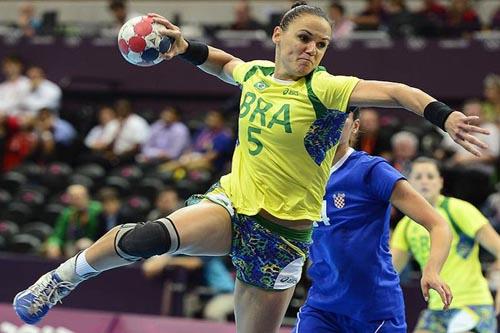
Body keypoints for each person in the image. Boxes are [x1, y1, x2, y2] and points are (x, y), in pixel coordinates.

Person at [14, 2, 489, 332]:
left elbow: (398, 93)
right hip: (233, 204)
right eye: (304, 38)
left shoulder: (325, 89)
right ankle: (61, 279)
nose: (312, 50)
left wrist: (444, 116)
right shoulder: (258, 75)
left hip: (283, 236)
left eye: (322, 45)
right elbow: (226, 64)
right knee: (151, 236)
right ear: (279, 35)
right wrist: (185, 49)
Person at [293, 109, 452, 333]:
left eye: (340, 117)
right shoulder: (300, 174)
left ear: (355, 127)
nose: (331, 123)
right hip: (322, 307)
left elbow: (438, 224)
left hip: (375, 312)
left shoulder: (372, 171)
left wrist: (432, 270)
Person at [391, 157, 500, 333]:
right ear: (409, 184)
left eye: (430, 176)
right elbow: (390, 271)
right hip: (437, 309)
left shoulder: (458, 209)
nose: (424, 181)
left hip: (473, 306)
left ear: (440, 182)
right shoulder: (406, 226)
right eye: (418, 177)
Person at [45, 185, 103, 259]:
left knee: (84, 244)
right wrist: (53, 244)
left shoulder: (97, 209)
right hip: (72, 245)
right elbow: (58, 234)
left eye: (79, 197)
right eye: (73, 198)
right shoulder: (67, 213)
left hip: (95, 243)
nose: (77, 200)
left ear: (87, 196)